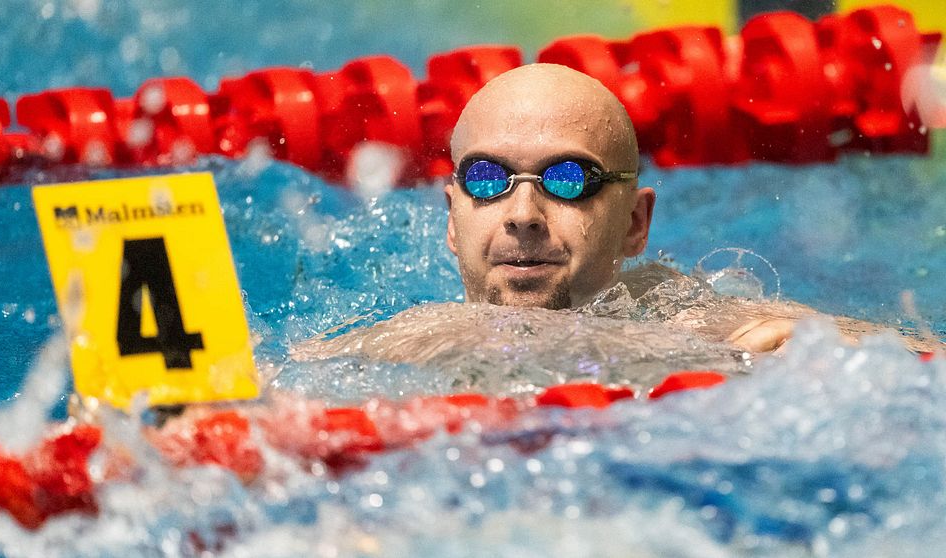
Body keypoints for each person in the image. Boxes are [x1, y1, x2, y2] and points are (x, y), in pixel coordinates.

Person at [293, 63, 932, 366]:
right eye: (487, 179)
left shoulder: (685, 313)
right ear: (453, 220)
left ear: (634, 223)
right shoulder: (407, 339)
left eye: (569, 179)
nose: (523, 214)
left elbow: (916, 356)